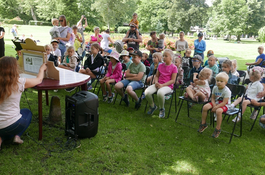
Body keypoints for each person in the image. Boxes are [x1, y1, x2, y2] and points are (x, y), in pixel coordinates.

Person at [0, 56, 47, 150]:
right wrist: (42, 69)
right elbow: (39, 80)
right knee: (27, 112)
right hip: (13, 125)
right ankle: (17, 136)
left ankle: (1, 139)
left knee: (4, 129)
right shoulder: (19, 82)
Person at [145, 49, 178, 118]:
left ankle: (161, 109)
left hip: (168, 86)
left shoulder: (174, 67)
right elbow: (156, 76)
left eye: (166, 56)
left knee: (160, 92)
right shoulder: (160, 66)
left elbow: (173, 80)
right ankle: (152, 106)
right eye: (163, 56)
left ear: (171, 58)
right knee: (147, 92)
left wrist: (162, 85)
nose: (164, 57)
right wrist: (156, 82)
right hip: (158, 84)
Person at [198, 72, 231, 138]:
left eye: (221, 81)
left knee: (218, 111)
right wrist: (213, 104)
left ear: (225, 82)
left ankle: (218, 128)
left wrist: (215, 107)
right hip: (216, 103)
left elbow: (224, 102)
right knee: (205, 107)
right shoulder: (215, 88)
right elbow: (212, 98)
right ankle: (203, 124)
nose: (219, 82)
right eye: (217, 81)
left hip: (225, 105)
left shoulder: (227, 91)